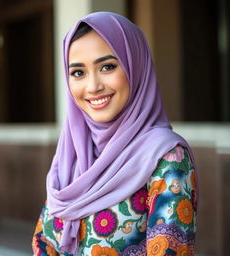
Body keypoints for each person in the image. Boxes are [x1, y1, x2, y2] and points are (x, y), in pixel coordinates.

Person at [32, 12, 198, 256]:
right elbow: (43, 243)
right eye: (78, 72)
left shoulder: (167, 156)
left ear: (136, 66)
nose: (93, 86)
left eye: (107, 66)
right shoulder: (73, 153)